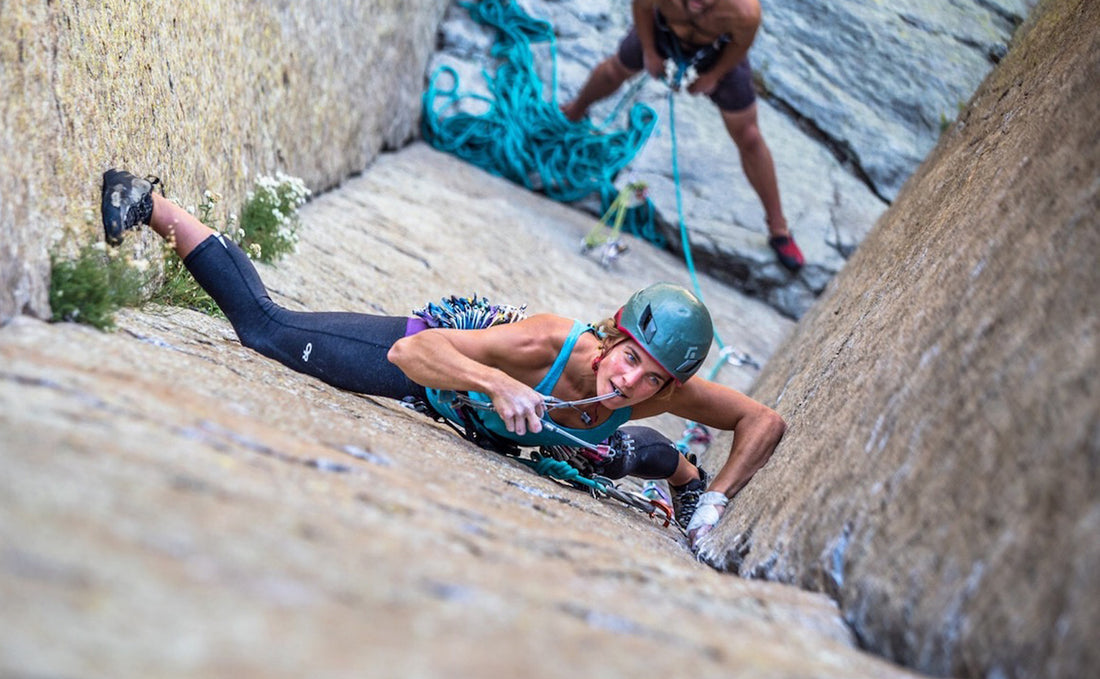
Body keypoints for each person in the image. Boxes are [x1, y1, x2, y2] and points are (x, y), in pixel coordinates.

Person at [100, 168, 786, 549]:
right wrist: (494, 382)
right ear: (613, 336)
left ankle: (685, 472)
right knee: (269, 331)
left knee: (605, 452)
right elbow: (413, 351)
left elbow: (764, 422)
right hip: (446, 369)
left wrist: (714, 500)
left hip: (525, 427)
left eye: (651, 378)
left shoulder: (659, 393)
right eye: (629, 359)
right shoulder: (546, 342)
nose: (628, 380)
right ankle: (154, 204)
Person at [561, 0, 804, 272]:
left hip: (717, 50)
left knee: (749, 135)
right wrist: (650, 53)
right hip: (661, 31)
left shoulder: (744, 11)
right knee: (616, 69)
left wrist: (714, 75)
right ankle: (573, 111)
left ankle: (779, 228)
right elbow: (641, 7)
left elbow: (740, 44)